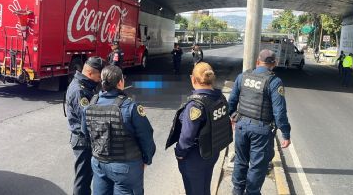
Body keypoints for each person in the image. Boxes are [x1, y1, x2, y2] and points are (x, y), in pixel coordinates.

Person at [82, 65, 156, 195]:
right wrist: (147, 159)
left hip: (99, 164)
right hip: (125, 168)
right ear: (120, 82)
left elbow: (86, 134)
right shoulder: (130, 107)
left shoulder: (89, 106)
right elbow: (146, 136)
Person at [228, 49, 291, 195]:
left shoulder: (242, 77)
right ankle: (252, 192)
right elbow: (279, 112)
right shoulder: (274, 82)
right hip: (261, 130)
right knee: (257, 166)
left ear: (257, 61)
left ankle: (237, 191)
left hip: (241, 126)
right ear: (274, 64)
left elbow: (231, 102)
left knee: (240, 161)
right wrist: (286, 133)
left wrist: (233, 117)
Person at [166, 62, 233, 195]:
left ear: (193, 79)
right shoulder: (220, 97)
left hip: (195, 157)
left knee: (194, 190)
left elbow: (187, 136)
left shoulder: (195, 105)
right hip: (212, 152)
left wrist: (179, 153)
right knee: (204, 187)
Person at [65, 56, 104, 195]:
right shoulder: (79, 90)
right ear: (90, 73)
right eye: (99, 76)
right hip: (83, 141)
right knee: (83, 180)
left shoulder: (87, 85)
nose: (100, 80)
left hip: (85, 140)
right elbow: (87, 119)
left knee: (87, 177)